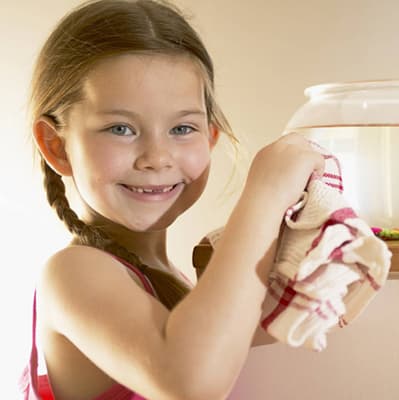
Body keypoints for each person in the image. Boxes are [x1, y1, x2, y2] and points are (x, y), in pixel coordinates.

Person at [21, 0, 324, 399]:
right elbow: (187, 382)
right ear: (57, 146)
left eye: (182, 128)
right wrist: (264, 194)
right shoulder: (74, 274)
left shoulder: (173, 285)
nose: (157, 158)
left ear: (210, 137)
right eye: (120, 128)